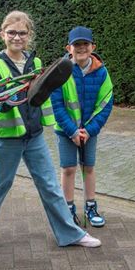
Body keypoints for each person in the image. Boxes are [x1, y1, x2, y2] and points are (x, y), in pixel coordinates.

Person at [0, 11, 101, 253]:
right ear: (2, 34)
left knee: (50, 186)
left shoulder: (36, 62)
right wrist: (13, 97)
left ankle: (71, 233)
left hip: (34, 136)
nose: (17, 37)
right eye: (12, 32)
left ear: (28, 35)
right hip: (8, 138)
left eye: (22, 33)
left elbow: (40, 94)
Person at [51, 26, 113, 227]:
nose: (81, 48)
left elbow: (106, 104)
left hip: (89, 132)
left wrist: (90, 130)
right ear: (69, 48)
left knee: (88, 168)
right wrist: (72, 131)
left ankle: (90, 207)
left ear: (92, 46)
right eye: (76, 44)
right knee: (68, 169)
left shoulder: (102, 72)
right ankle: (68, 208)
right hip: (66, 132)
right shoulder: (61, 71)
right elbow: (56, 105)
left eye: (85, 44)